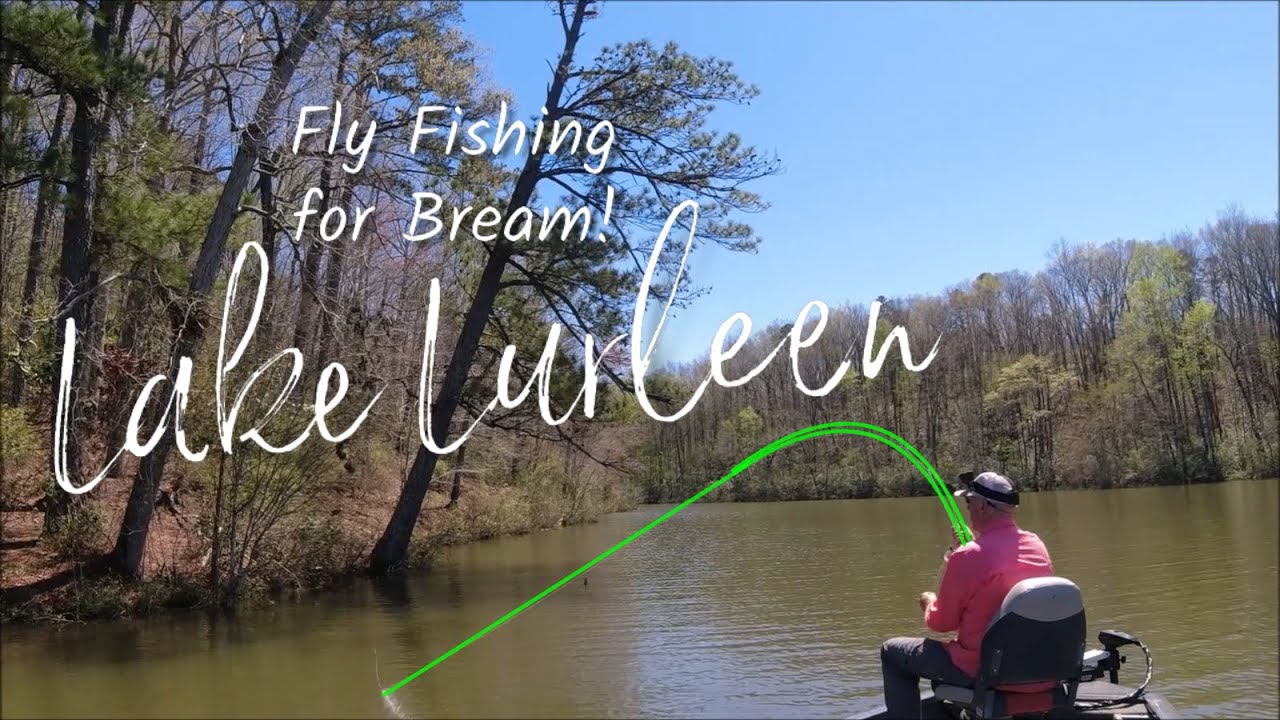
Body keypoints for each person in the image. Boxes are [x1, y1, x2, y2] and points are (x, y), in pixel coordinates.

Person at [879, 471, 1054, 718]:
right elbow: (997, 567)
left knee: (892, 652)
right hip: (1035, 669)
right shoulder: (1037, 545)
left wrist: (928, 602)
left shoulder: (968, 556)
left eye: (969, 502)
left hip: (984, 671)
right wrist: (969, 547)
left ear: (982, 506)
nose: (968, 509)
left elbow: (942, 623)